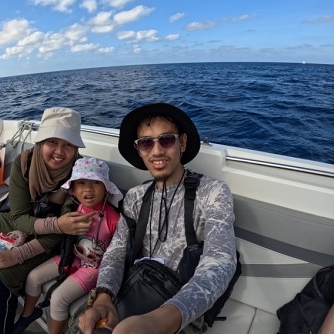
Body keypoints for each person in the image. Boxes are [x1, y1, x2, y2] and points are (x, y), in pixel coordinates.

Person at [78, 103, 237, 334]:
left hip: (181, 306)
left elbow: (220, 260)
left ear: (182, 143)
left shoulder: (212, 192)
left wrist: (161, 321)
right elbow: (117, 251)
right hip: (136, 286)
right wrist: (104, 297)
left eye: (167, 140)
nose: (156, 151)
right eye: (146, 143)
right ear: (139, 149)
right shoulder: (135, 196)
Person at [0, 107, 96, 334]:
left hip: (50, 239)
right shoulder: (25, 162)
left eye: (68, 144)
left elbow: (63, 231)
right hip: (18, 219)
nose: (59, 151)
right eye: (52, 142)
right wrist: (52, 224)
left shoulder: (80, 175)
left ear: (76, 148)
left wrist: (18, 254)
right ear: (40, 142)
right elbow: (18, 216)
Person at [13, 157, 123, 334]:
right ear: (72, 189)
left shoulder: (114, 219)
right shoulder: (74, 209)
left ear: (106, 188)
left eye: (96, 182)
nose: (88, 188)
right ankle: (27, 315)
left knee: (58, 298)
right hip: (70, 257)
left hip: (94, 269)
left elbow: (120, 253)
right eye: (81, 183)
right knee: (33, 277)